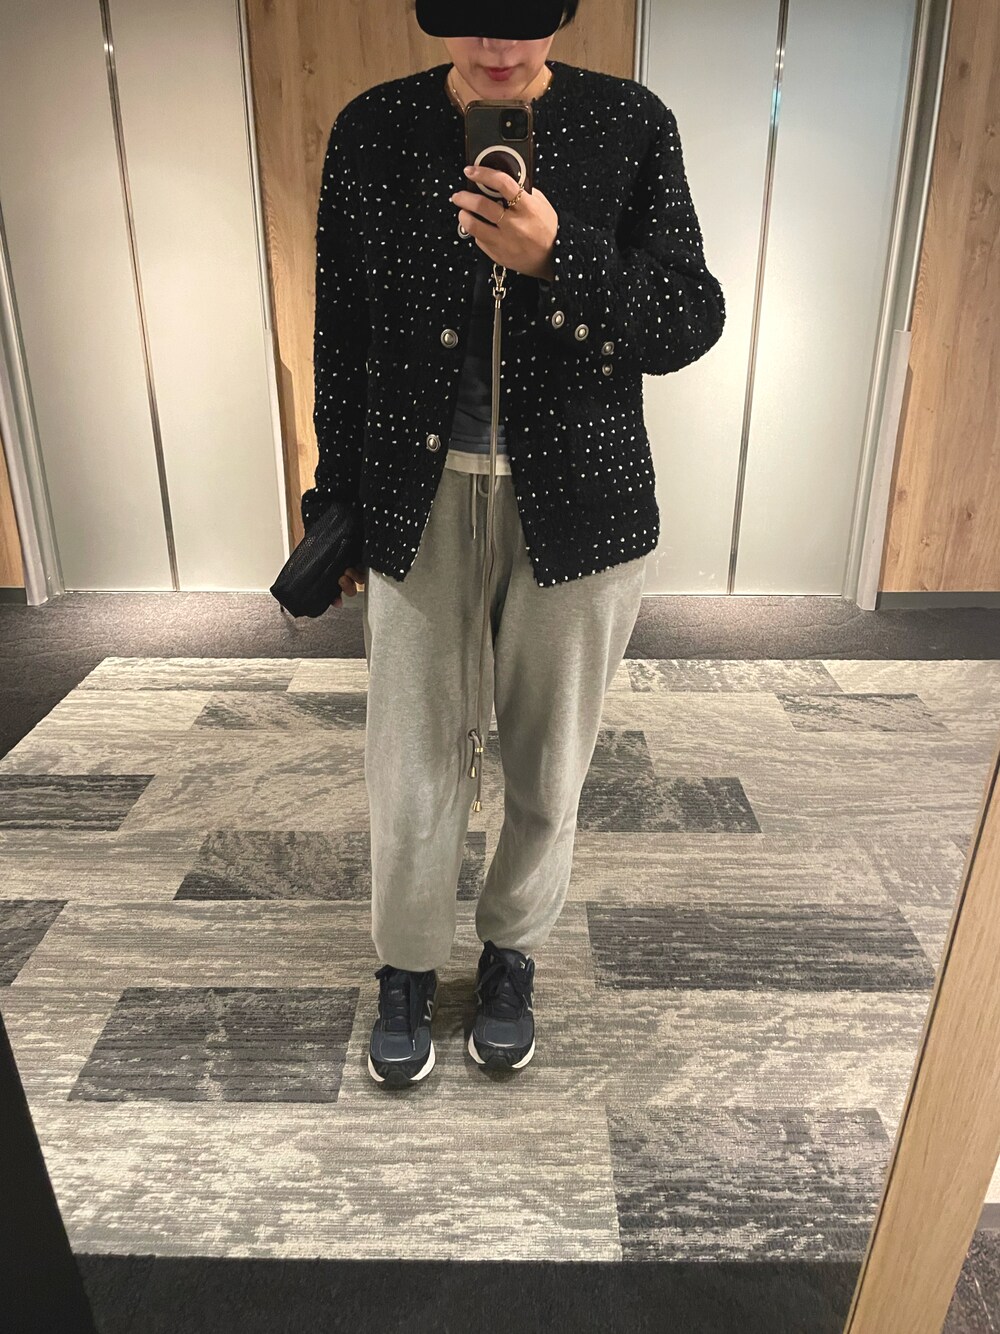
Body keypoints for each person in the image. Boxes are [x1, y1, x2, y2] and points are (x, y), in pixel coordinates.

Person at [305, 0, 726, 1087]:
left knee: (548, 762)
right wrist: (332, 503)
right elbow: (341, 330)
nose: (499, 48)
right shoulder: (374, 128)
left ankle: (510, 953)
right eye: (473, 20)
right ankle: (407, 964)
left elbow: (689, 316)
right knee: (410, 763)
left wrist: (557, 256)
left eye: (524, 20)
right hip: (417, 495)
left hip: (581, 503)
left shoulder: (630, 122)